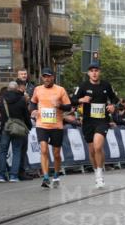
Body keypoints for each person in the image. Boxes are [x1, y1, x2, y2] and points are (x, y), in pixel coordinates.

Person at [72, 60, 119, 189]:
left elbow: (114, 98)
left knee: (98, 147)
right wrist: (82, 99)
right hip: (88, 122)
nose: (94, 73)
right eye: (92, 71)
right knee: (92, 151)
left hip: (102, 120)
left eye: (96, 70)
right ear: (88, 73)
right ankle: (96, 170)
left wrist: (112, 105)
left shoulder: (106, 85)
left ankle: (99, 175)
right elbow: (72, 100)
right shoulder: (83, 86)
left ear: (99, 72)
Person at [30, 67, 71, 188]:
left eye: (49, 76)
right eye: (44, 76)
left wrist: (60, 105)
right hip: (41, 124)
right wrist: (33, 110)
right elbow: (32, 102)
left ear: (53, 77)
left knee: (56, 153)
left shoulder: (60, 90)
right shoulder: (37, 89)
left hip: (56, 126)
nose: (46, 79)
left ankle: (57, 175)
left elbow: (68, 107)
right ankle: (46, 177)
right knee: (43, 150)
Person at [0, 80, 30, 182]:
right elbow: (26, 115)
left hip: (6, 127)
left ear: (8, 88)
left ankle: (1, 176)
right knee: (17, 151)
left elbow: (0, 113)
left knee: (3, 151)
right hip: (18, 128)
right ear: (17, 89)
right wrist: (29, 126)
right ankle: (13, 176)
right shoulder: (21, 99)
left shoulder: (2, 99)